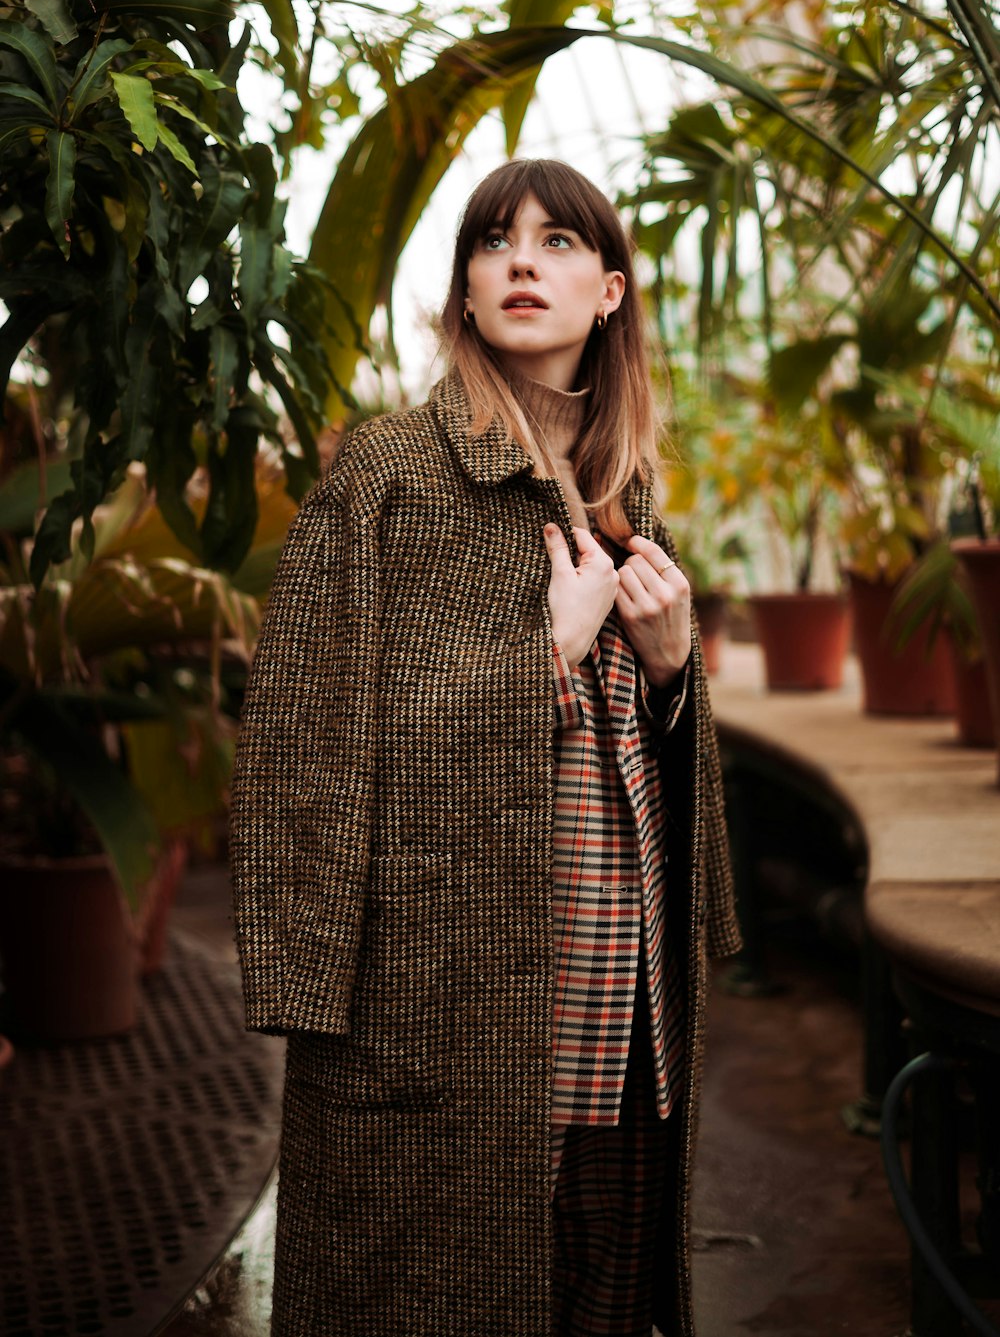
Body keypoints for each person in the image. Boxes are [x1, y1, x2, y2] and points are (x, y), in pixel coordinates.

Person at [229, 158, 741, 1337]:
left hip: (620, 976)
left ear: (609, 291)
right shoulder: (389, 477)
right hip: (446, 990)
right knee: (436, 1290)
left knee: (599, 1287)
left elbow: (656, 764)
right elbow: (304, 743)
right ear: (463, 292)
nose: (522, 260)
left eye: (559, 242)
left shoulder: (629, 495)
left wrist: (671, 670)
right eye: (494, 241)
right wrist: (542, 657)